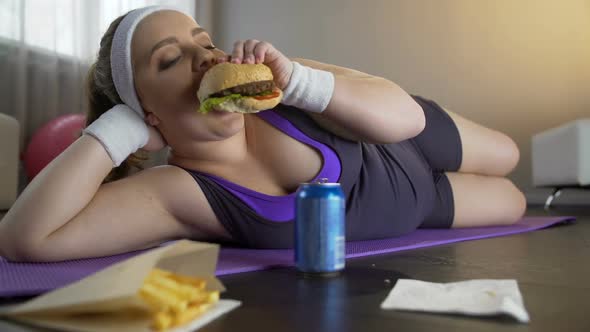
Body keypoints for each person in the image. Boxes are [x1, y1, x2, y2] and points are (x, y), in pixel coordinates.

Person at [0, 6, 525, 262]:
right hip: (418, 204)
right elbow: (24, 241)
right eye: (169, 61)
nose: (205, 56)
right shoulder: (178, 193)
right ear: (146, 116)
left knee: (507, 153)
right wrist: (118, 128)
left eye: (203, 41)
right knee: (514, 200)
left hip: (399, 137)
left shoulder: (281, 86)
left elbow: (406, 120)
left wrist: (297, 79)